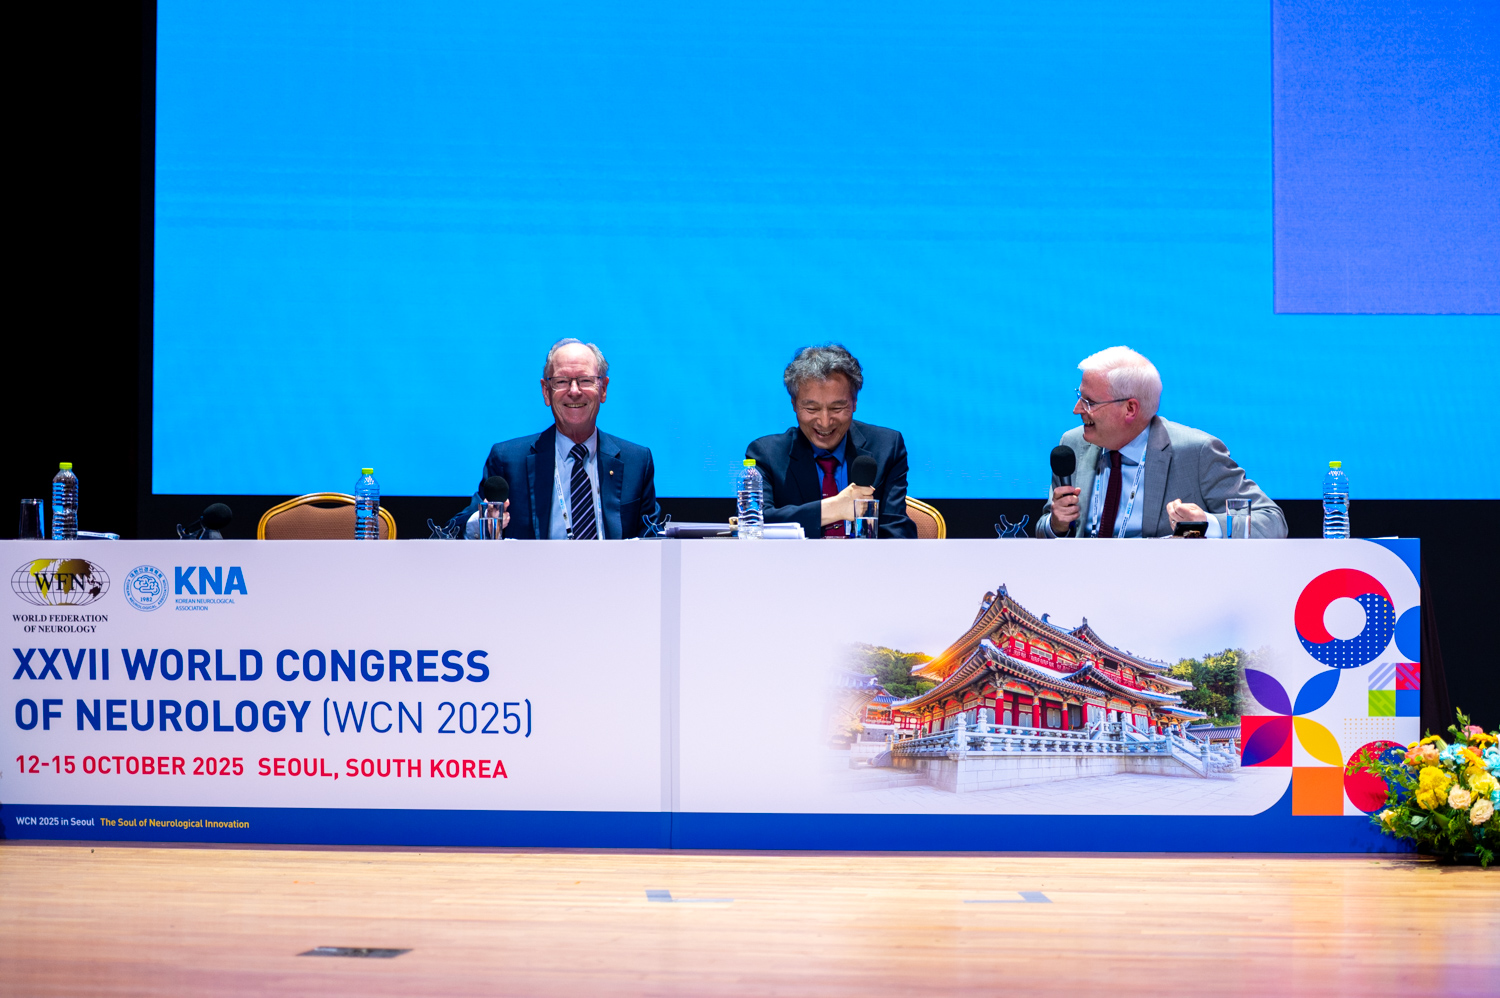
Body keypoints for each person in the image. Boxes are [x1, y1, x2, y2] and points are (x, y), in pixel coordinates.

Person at [1038, 346, 1286, 539]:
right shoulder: (1073, 445)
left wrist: (1206, 523)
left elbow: (1272, 522)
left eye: (1089, 402)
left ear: (1130, 409)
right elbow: (1046, 528)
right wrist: (1055, 524)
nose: (1077, 409)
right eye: (1080, 397)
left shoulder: (1196, 452)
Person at [447, 339, 659, 539]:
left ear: (603, 389)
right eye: (562, 381)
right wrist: (484, 521)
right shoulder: (508, 461)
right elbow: (454, 529)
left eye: (585, 380)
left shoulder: (636, 462)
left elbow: (653, 539)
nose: (574, 391)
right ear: (546, 391)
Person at [746, 344, 915, 539]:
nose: (824, 422)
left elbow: (898, 532)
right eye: (812, 409)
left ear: (854, 403)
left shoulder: (886, 447)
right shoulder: (766, 454)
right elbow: (753, 524)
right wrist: (833, 508)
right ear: (794, 404)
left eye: (837, 408)